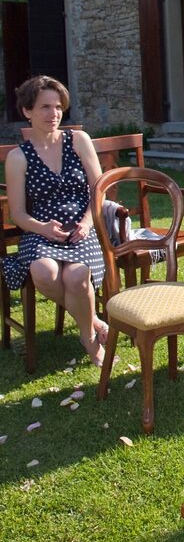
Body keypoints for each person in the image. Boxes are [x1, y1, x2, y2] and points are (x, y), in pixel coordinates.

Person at [2, 76, 107, 366]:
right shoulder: (18, 158)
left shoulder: (78, 140)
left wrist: (87, 223)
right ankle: (93, 324)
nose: (54, 114)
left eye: (58, 107)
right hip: (40, 232)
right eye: (45, 107)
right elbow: (18, 214)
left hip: (82, 228)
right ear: (27, 111)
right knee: (44, 272)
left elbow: (99, 190)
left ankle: (86, 336)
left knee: (75, 276)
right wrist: (42, 228)